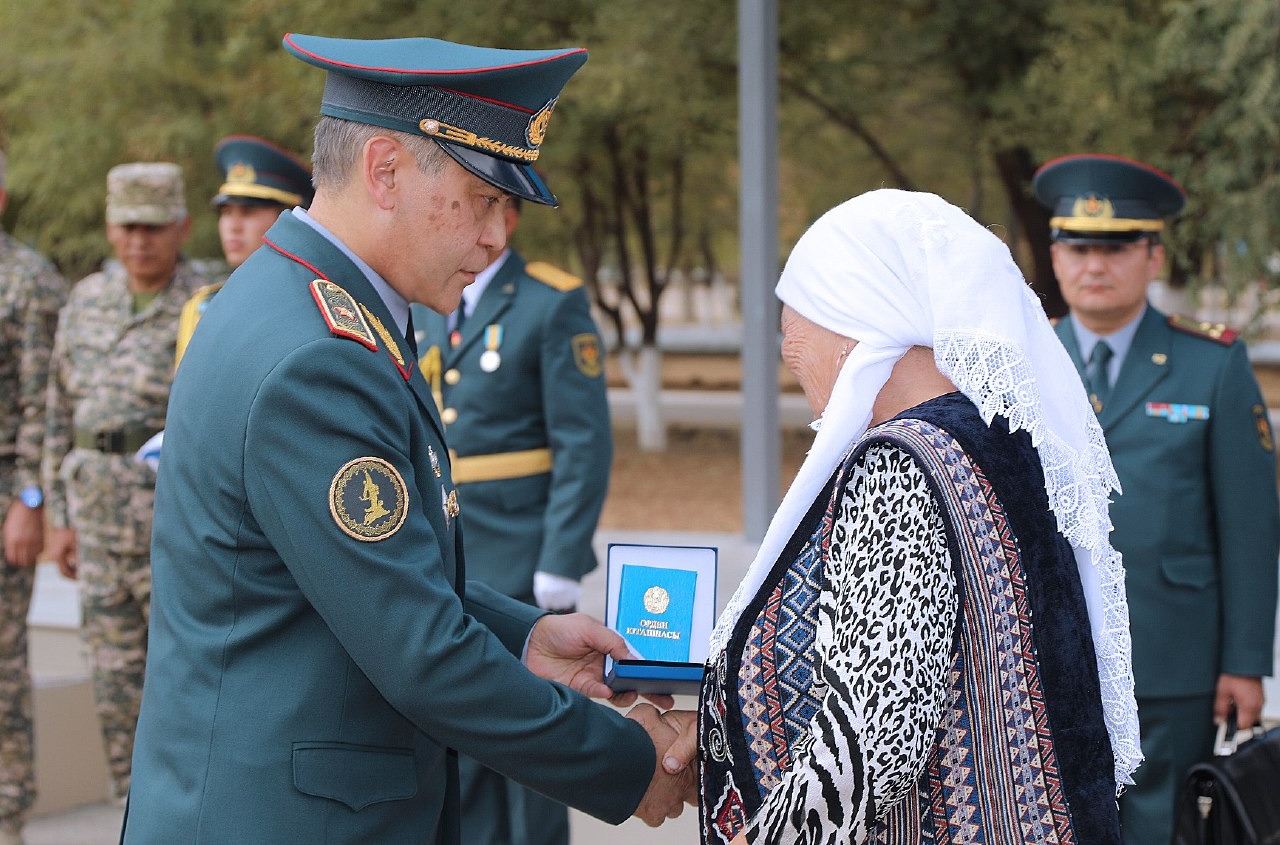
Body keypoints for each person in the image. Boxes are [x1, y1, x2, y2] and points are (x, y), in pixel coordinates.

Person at [123, 33, 691, 843]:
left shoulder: (310, 303)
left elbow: (371, 576)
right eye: (484, 199)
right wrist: (631, 762)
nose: (499, 236)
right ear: (385, 171)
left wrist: (522, 634)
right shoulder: (318, 354)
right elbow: (418, 650)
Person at [664, 189, 1141, 843]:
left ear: (856, 316)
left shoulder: (901, 460)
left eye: (795, 323)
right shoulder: (995, 435)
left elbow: (879, 723)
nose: (788, 346)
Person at [1035, 152, 1280, 845]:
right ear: (1054, 256)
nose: (1094, 264)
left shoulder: (1213, 363)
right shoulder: (1024, 362)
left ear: (1154, 256)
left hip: (1174, 654)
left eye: (1115, 247)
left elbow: (1250, 526)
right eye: (1077, 246)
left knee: (1160, 825)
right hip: (1051, 650)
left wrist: (1245, 660)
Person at [414, 195, 611, 845]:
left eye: (489, 207)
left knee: (529, 741)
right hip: (451, 545)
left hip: (523, 549)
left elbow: (583, 444)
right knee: (465, 727)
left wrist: (561, 555)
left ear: (512, 217)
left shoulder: (549, 302)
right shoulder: (427, 302)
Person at [41, 162, 222, 804]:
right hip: (94, 525)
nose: (137, 241)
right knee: (114, 689)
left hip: (174, 530)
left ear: (182, 226)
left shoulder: (211, 300)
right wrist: (56, 514)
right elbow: (59, 410)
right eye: (125, 226)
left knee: (188, 685)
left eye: (151, 226)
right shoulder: (87, 298)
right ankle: (130, 814)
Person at [0, 148, 68, 845]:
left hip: (2, 496)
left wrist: (29, 495)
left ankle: (6, 814)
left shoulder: (27, 280)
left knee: (1, 666)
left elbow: (42, 400)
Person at [175, 134, 313, 366]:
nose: (233, 226)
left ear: (288, 219)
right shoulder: (204, 306)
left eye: (248, 211)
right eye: (226, 212)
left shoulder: (311, 306)